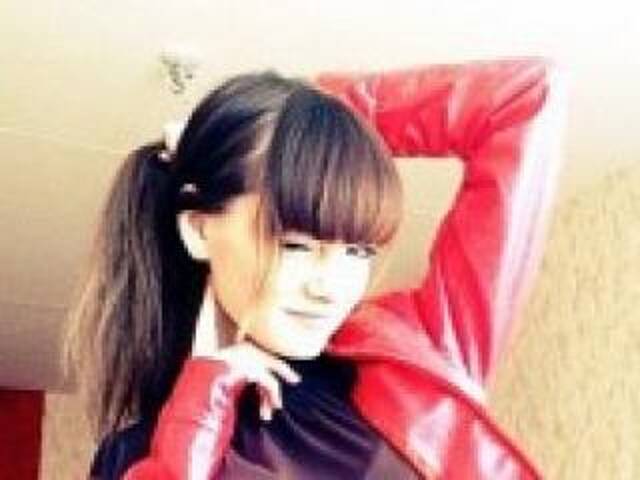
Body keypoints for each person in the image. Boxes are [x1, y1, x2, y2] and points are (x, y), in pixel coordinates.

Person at [68, 56, 566, 479]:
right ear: (200, 230)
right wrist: (202, 403)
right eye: (296, 245)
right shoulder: (135, 455)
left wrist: (317, 117)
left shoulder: (418, 352)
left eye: (359, 251)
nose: (331, 289)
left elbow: (524, 94)